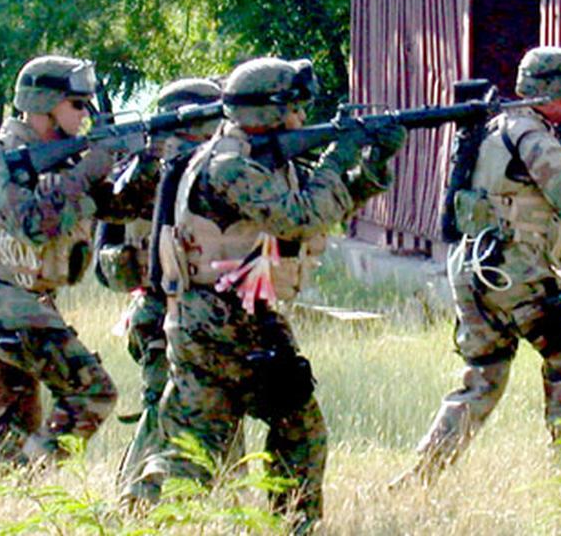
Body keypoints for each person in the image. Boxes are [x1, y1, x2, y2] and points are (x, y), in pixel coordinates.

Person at [128, 56, 405, 530]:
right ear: (268, 113)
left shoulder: (258, 163)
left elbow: (319, 208)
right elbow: (300, 216)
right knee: (232, 448)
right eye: (295, 109)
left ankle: (160, 516)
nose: (302, 120)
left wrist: (372, 163)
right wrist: (341, 153)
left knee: (246, 441)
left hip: (237, 318)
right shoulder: (229, 165)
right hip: (221, 322)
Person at [391, 46, 561, 486]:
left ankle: (420, 477)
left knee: (481, 383)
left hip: (475, 270)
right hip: (518, 274)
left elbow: (545, 180)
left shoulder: (500, 127)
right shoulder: (533, 137)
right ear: (552, 91)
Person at [0, 55, 141, 468]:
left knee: (2, 434)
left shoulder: (62, 160)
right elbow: (31, 224)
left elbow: (123, 208)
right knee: (93, 393)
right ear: (43, 104)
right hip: (4, 307)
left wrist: (143, 162)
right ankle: (31, 468)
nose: (85, 115)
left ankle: (1, 508)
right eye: (77, 105)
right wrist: (89, 171)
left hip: (23, 309)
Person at [92, 77, 225, 493]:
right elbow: (105, 258)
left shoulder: (211, 170)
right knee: (162, 413)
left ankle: (218, 498)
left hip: (206, 314)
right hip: (158, 317)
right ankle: (134, 498)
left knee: (212, 413)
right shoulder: (143, 173)